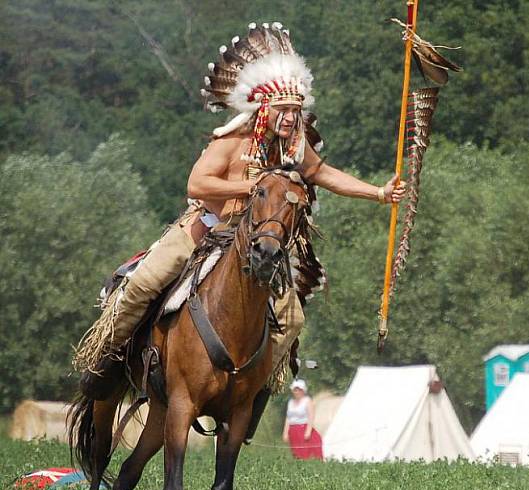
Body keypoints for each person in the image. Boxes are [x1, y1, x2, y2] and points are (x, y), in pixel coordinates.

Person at [75, 22, 405, 404]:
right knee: (143, 285)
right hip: (206, 231)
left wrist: (379, 193)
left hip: (258, 248)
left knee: (293, 319)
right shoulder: (232, 141)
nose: (290, 118)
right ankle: (104, 362)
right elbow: (196, 185)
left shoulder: (293, 147)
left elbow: (322, 173)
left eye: (295, 111)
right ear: (265, 108)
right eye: (283, 110)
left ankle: (256, 387)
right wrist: (252, 188)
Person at [282, 379, 322, 460]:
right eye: (295, 390)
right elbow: (288, 418)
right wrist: (285, 432)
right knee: (296, 454)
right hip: (293, 430)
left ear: (303, 390)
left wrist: (308, 431)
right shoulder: (291, 402)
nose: (296, 392)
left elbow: (311, 416)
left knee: (306, 452)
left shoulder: (307, 401)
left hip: (303, 428)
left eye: (298, 389)